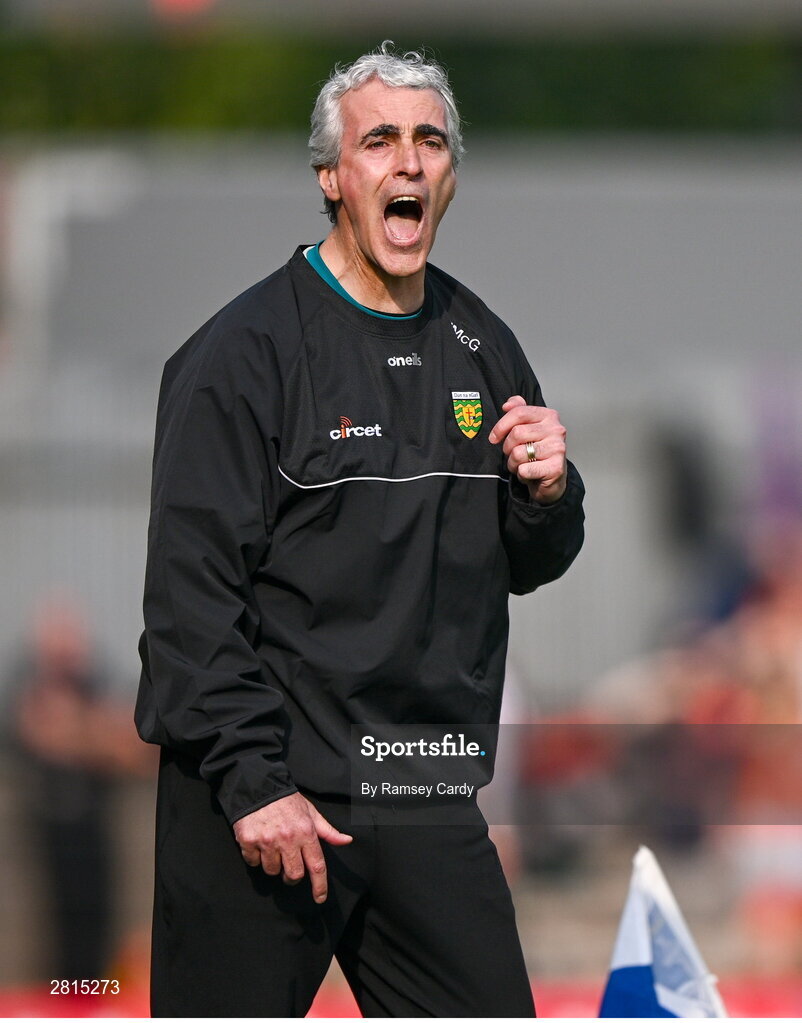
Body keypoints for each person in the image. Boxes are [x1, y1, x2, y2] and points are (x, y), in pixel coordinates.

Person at [136, 42, 585, 1017]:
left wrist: (547, 493)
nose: (409, 161)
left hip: (420, 791)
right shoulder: (243, 355)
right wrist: (252, 782)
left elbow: (530, 561)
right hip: (267, 799)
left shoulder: (482, 345)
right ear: (332, 177)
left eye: (430, 141)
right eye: (379, 141)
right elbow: (187, 601)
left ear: (450, 175)